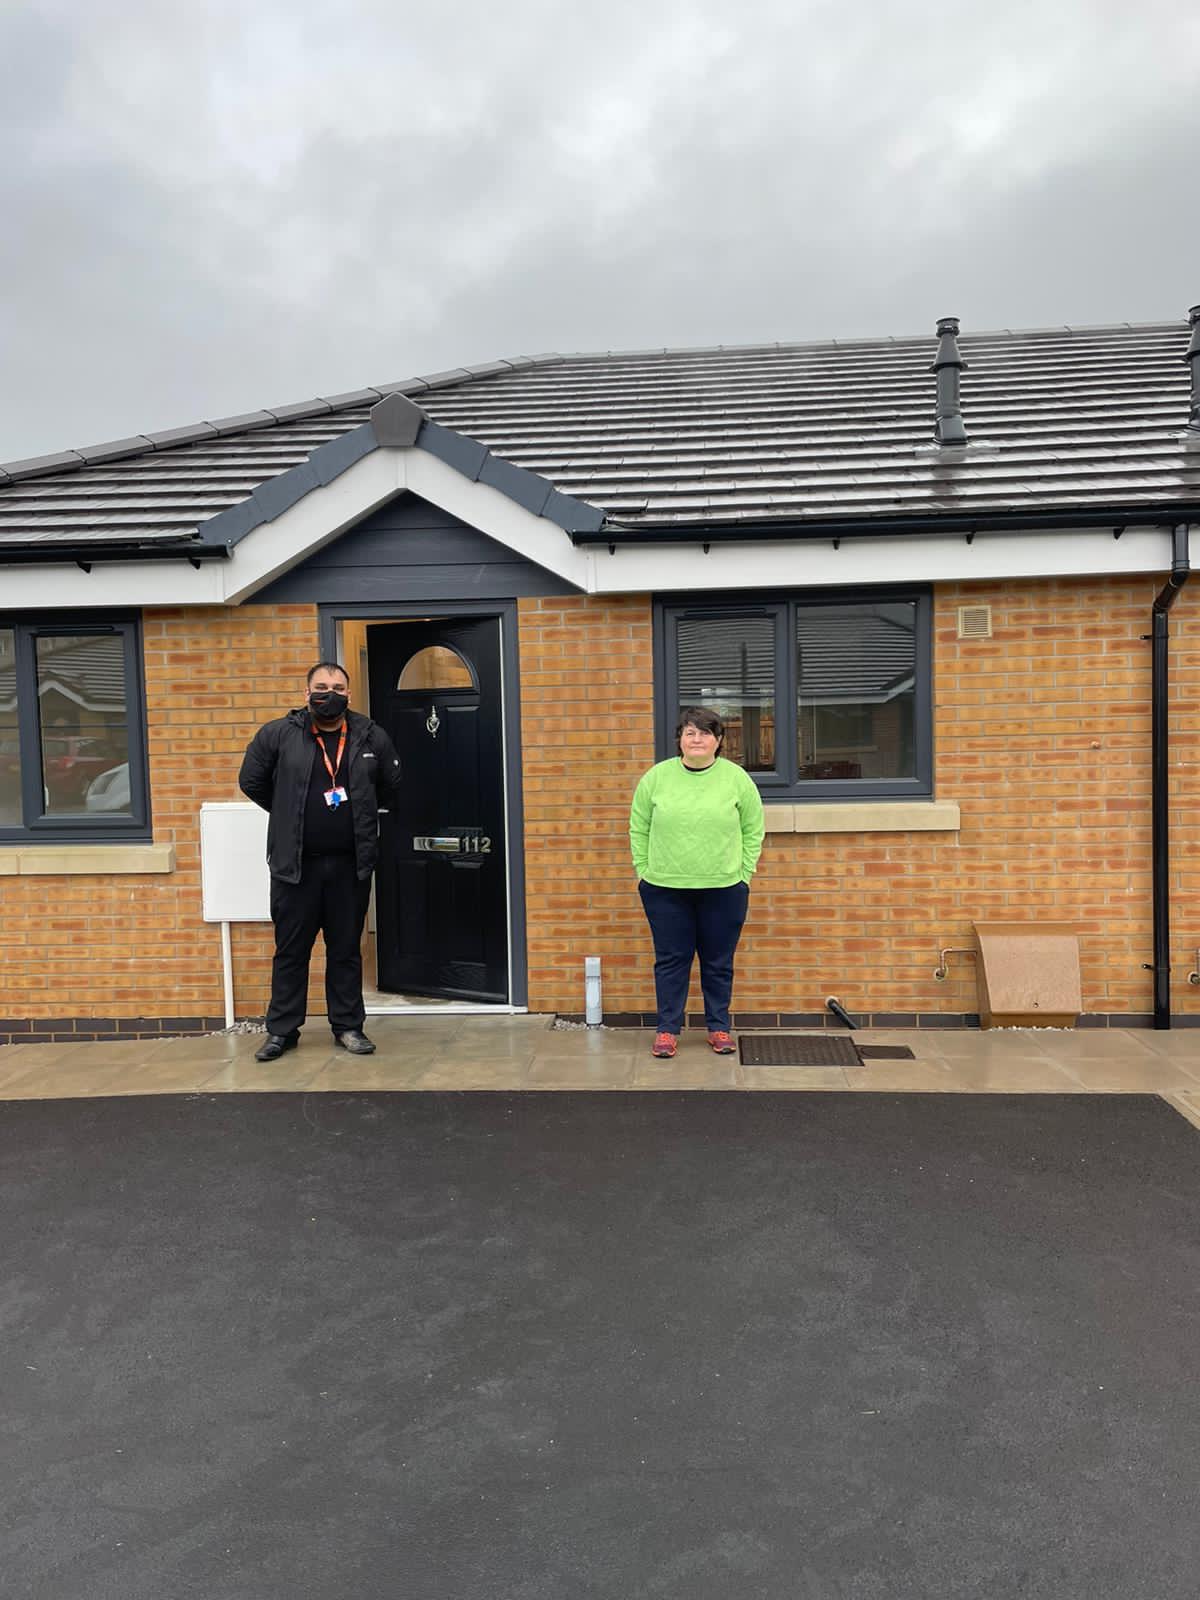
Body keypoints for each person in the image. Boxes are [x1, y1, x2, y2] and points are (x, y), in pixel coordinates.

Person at [239, 661, 403, 1062]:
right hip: (295, 868)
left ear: (349, 694)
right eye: (321, 685)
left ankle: (347, 1027)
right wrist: (287, 814)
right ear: (306, 692)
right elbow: (251, 781)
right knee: (291, 951)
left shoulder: (369, 735)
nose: (329, 692)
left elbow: (391, 785)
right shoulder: (278, 735)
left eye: (338, 686)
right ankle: (281, 1031)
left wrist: (359, 815)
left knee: (345, 950)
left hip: (349, 868)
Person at [629, 706, 765, 1059]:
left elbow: (753, 829)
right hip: (664, 887)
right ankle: (667, 1030)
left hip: (723, 887)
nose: (697, 739)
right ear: (680, 740)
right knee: (671, 960)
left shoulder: (736, 779)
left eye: (705, 733)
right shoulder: (656, 778)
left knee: (718, 961)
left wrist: (743, 873)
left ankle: (718, 1027)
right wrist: (643, 870)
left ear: (718, 741)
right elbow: (638, 826)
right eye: (690, 732)